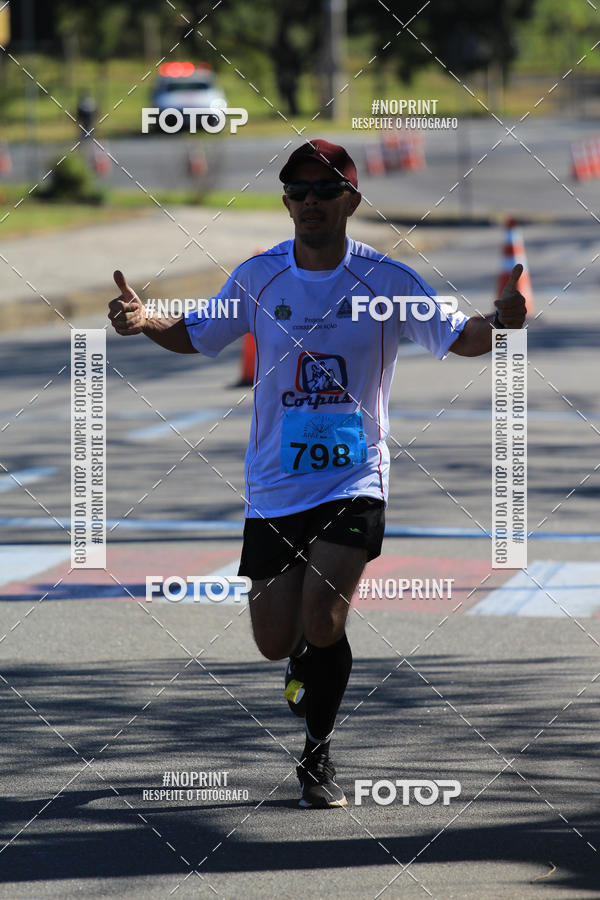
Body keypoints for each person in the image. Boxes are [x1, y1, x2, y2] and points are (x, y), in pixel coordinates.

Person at [108, 138, 526, 809]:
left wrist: (503, 323)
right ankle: (308, 663)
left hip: (353, 477)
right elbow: (197, 332)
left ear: (351, 201)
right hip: (275, 483)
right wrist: (144, 320)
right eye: (298, 193)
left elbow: (462, 336)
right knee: (276, 640)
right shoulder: (259, 276)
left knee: (325, 618)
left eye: (324, 191)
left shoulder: (387, 282)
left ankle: (318, 752)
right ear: (285, 203)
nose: (309, 203)